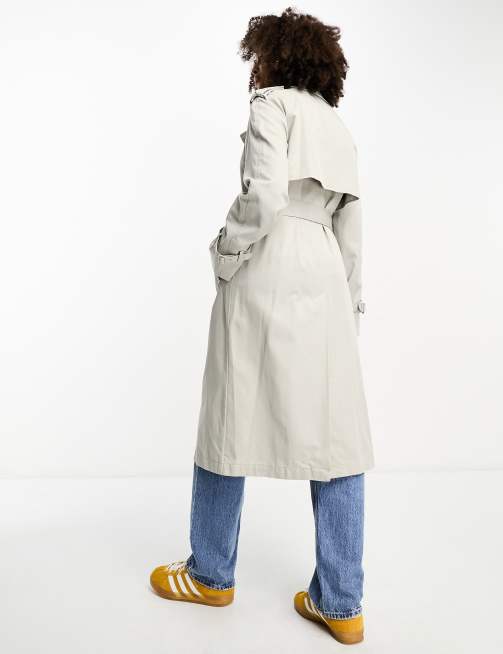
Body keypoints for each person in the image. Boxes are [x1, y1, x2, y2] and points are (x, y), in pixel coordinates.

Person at [150, 7, 374, 645]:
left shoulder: (270, 105)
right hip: (325, 273)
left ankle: (210, 573)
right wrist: (350, 308)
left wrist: (226, 248)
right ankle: (342, 602)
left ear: (272, 57)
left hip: (268, 265)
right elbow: (352, 233)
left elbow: (266, 194)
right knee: (337, 438)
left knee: (228, 415)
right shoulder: (338, 127)